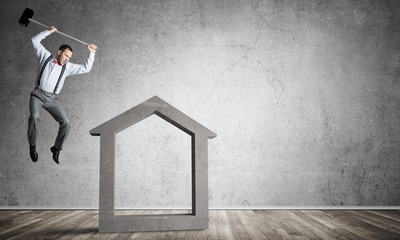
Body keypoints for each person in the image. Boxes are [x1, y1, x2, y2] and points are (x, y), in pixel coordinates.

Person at [28, 26, 97, 164]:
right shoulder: (45, 57)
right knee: (34, 117)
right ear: (59, 52)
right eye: (66, 55)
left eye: (69, 57)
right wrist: (49, 31)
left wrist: (91, 53)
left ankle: (56, 148)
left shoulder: (68, 67)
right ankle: (32, 146)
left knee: (66, 123)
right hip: (38, 95)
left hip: (53, 99)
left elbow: (86, 68)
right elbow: (35, 40)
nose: (67, 59)